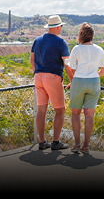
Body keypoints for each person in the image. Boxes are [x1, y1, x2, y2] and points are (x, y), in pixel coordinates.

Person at [65, 22, 104, 153]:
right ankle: (86, 145)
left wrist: (74, 81)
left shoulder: (76, 49)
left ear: (81, 35)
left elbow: (71, 68)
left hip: (78, 81)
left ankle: (77, 143)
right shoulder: (99, 49)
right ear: (92, 35)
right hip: (94, 82)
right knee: (89, 115)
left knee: (75, 113)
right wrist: (95, 76)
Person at [31, 14, 71, 150]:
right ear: (59, 27)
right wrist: (73, 80)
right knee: (60, 110)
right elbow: (67, 64)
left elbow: (32, 59)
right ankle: (55, 142)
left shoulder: (37, 40)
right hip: (52, 77)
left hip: (38, 77)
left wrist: (37, 72)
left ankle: (42, 142)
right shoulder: (61, 42)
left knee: (41, 109)